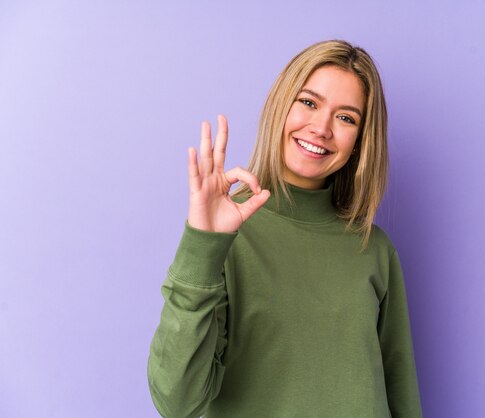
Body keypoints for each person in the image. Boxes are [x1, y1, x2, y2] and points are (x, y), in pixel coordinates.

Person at [148, 39, 423, 418]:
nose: (321, 128)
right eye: (308, 103)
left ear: (360, 141)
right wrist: (203, 245)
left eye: (346, 118)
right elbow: (176, 401)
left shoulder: (373, 249)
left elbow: (401, 393)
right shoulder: (225, 238)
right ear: (281, 106)